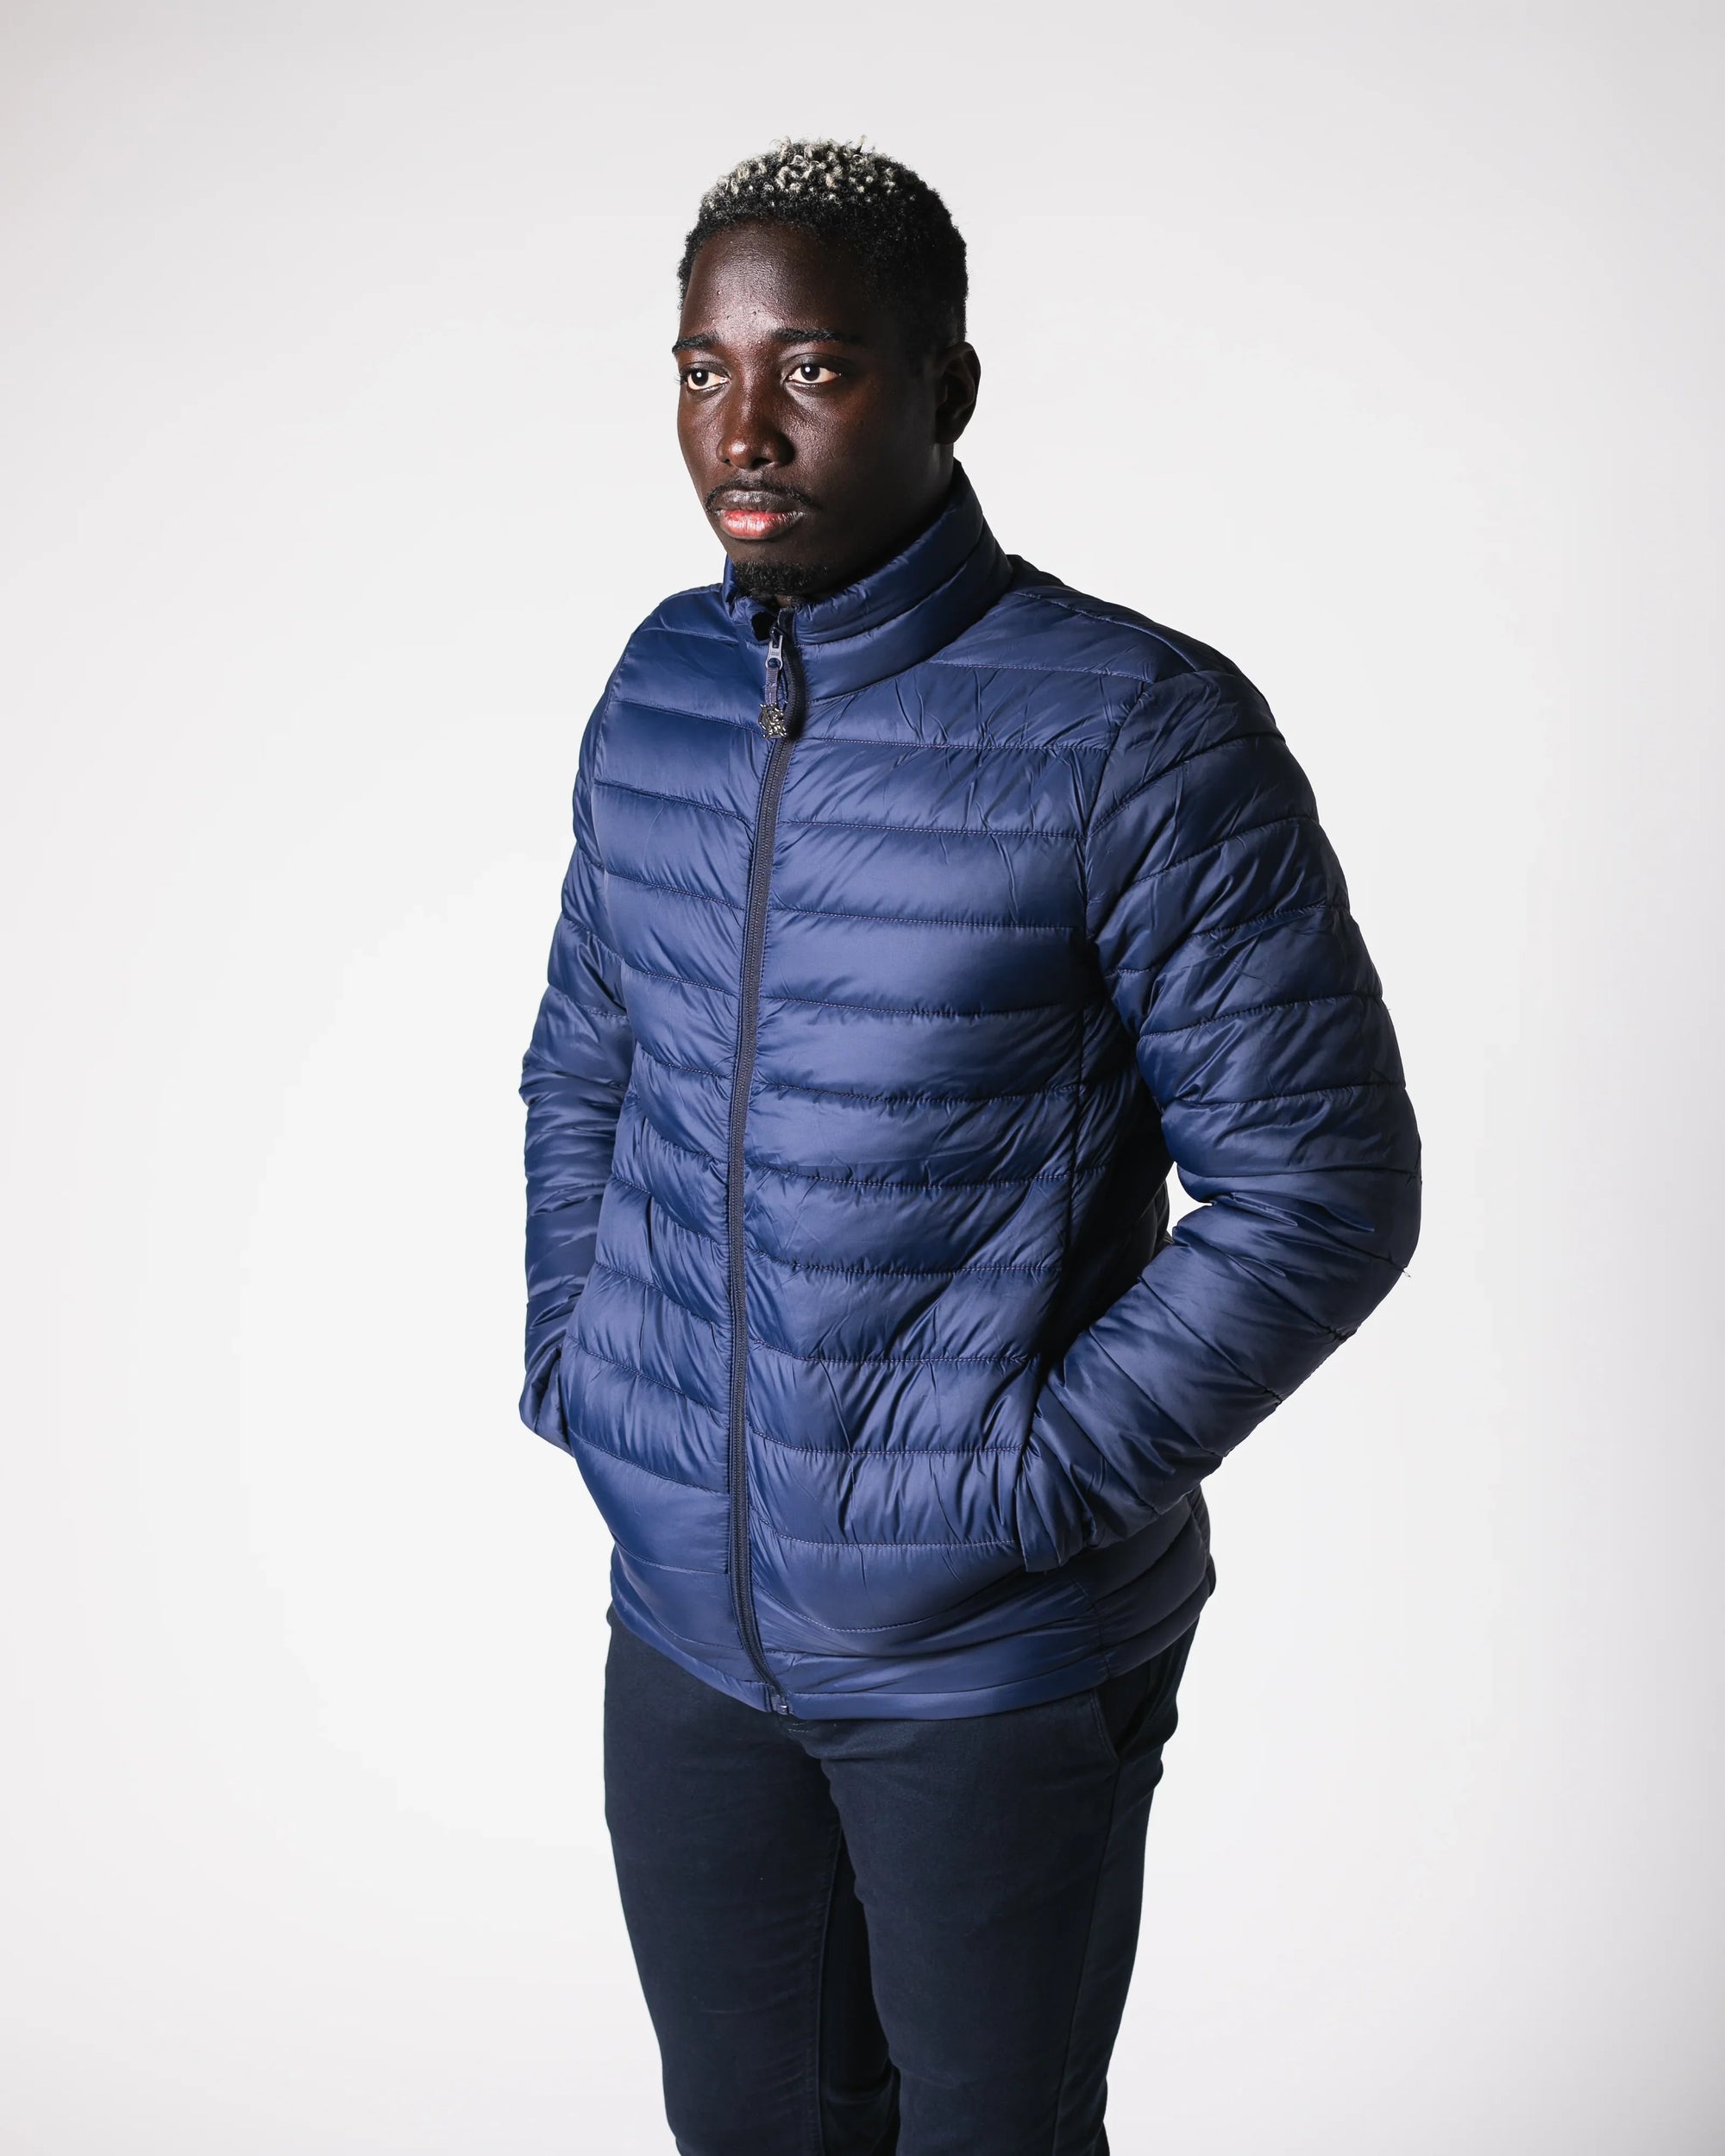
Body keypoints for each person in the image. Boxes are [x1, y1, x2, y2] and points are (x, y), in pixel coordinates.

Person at [517, 138, 1420, 2156]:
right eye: (700, 371)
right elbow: (586, 1055)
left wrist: (1020, 1483)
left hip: (989, 1668)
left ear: (947, 385)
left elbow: (1321, 1186)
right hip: (687, 1634)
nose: (741, 431)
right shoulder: (660, 689)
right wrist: (587, 1371)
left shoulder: (1136, 728)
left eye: (813, 368)